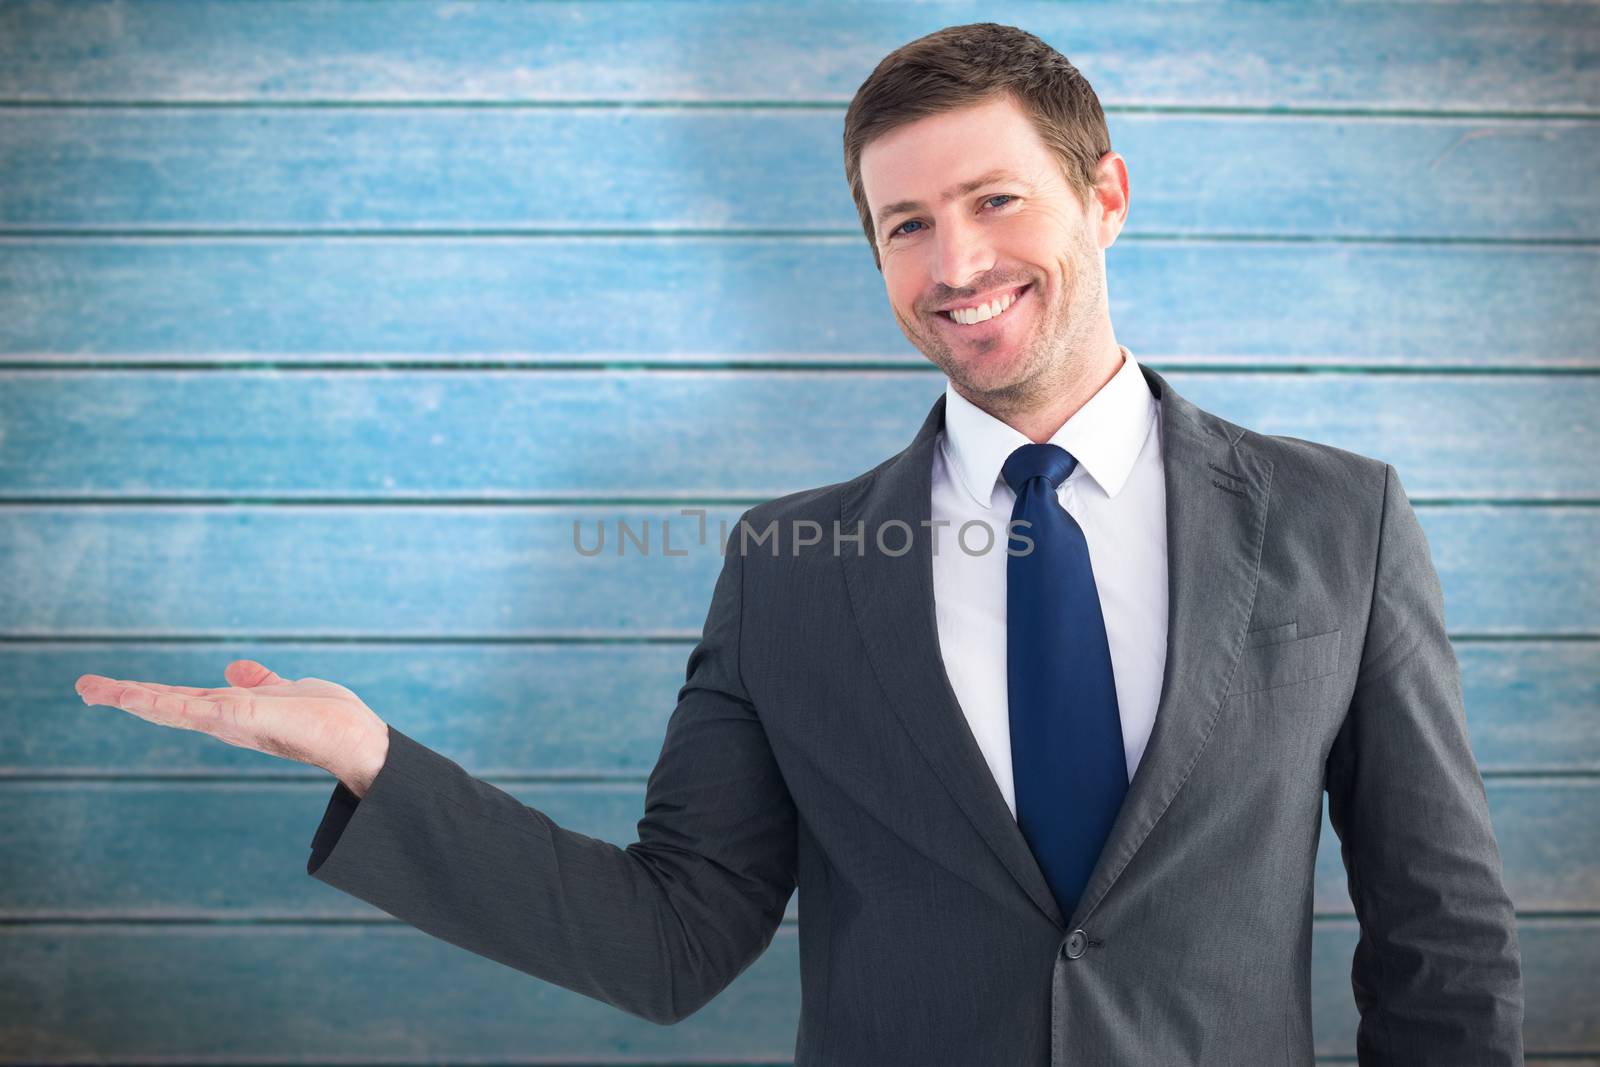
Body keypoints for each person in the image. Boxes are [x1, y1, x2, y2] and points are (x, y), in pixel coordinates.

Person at [74, 22, 1523, 1065]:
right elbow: (672, 937)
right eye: (905, 226)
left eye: (995, 199)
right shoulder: (791, 568)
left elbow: (1440, 931)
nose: (953, 264)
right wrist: (377, 764)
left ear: (1106, 196)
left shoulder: (1342, 517)